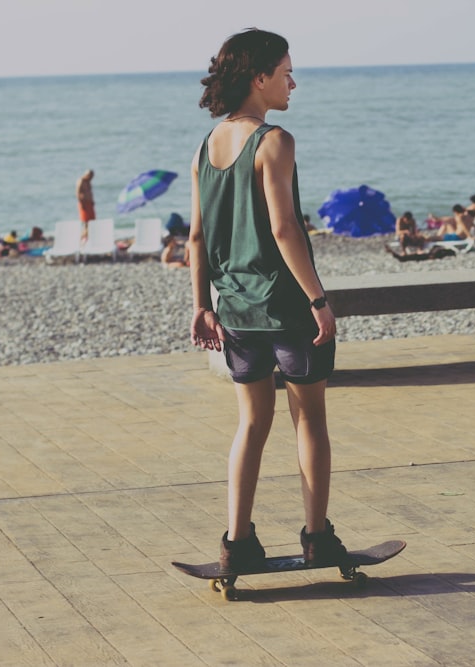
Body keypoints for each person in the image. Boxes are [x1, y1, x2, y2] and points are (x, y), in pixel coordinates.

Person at [187, 28, 349, 574]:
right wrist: (319, 300)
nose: (292, 82)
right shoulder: (274, 140)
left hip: (233, 310)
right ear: (259, 78)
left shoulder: (205, 148)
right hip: (285, 308)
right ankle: (317, 538)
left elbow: (195, 239)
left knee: (251, 424)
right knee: (310, 423)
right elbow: (284, 229)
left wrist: (201, 304)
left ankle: (237, 542)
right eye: (285, 72)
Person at [76, 169, 96, 238]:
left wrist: (92, 201)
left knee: (92, 220)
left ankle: (89, 235)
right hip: (84, 203)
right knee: (86, 221)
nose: (91, 178)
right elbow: (78, 192)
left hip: (89, 203)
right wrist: (81, 203)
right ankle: (84, 236)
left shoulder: (88, 182)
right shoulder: (81, 180)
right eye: (90, 176)